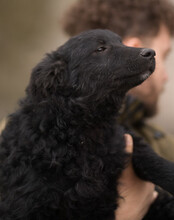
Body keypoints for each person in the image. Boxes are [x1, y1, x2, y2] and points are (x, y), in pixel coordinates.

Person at [62, 0, 174, 219]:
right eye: (165, 55)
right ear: (133, 49)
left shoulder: (165, 144)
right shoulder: (14, 145)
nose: (166, 76)